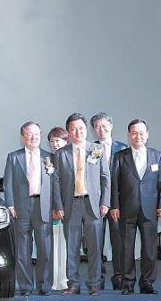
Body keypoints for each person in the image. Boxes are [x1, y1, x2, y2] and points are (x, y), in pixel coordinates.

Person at [53, 113, 110, 296]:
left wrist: (105, 202)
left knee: (94, 248)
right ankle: (74, 284)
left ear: (86, 130)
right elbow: (56, 181)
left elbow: (105, 178)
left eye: (81, 128)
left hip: (93, 205)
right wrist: (59, 205)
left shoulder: (96, 149)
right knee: (72, 247)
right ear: (68, 132)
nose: (78, 132)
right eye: (73, 129)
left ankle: (94, 284)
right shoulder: (61, 154)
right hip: (71, 205)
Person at [110, 119, 161, 295]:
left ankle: (147, 282)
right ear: (128, 135)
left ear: (147, 135)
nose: (138, 136)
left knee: (149, 249)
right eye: (134, 132)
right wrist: (114, 206)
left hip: (150, 209)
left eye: (141, 132)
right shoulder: (120, 156)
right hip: (126, 209)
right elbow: (114, 184)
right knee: (126, 248)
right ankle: (128, 283)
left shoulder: (157, 156)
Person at [3, 122, 53, 296]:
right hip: (21, 208)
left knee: (44, 248)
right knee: (23, 249)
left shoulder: (49, 157)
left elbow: (55, 184)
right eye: (30, 134)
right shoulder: (13, 157)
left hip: (43, 206)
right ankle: (25, 286)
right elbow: (8, 183)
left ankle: (44, 285)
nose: (34, 137)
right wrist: (10, 204)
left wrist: (56, 207)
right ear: (23, 137)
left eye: (37, 134)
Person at [90, 112, 127, 290]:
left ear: (111, 126)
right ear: (93, 130)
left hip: (118, 203)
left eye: (104, 125)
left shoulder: (123, 148)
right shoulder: (90, 148)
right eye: (97, 127)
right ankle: (99, 278)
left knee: (118, 241)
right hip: (95, 203)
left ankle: (119, 276)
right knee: (96, 242)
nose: (101, 129)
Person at [47, 127, 69, 291]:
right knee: (53, 246)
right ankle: (54, 280)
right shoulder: (47, 160)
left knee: (68, 246)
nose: (55, 144)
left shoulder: (70, 158)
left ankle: (65, 279)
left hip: (69, 208)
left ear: (66, 141)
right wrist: (55, 207)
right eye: (52, 141)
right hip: (51, 210)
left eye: (58, 140)